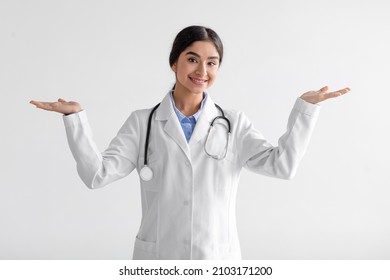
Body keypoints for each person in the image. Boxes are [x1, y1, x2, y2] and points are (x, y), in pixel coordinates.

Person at [30, 25, 350, 260]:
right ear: (174, 63)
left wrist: (306, 110)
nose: (202, 70)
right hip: (158, 260)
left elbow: (283, 166)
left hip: (217, 258)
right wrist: (74, 118)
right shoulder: (143, 122)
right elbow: (96, 176)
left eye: (212, 62)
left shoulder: (233, 123)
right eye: (192, 59)